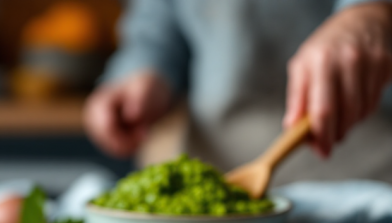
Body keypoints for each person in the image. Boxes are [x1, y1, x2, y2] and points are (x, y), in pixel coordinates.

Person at [84, 0, 392, 183]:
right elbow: (158, 18)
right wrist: (143, 69)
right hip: (217, 168)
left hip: (370, 176)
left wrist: (371, 12)